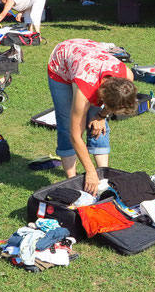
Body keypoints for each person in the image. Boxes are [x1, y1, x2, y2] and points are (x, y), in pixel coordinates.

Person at [47, 39, 138, 195]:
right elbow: (75, 135)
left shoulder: (127, 76)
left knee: (99, 123)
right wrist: (90, 172)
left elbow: (107, 109)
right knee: (66, 123)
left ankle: (104, 176)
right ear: (103, 97)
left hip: (89, 56)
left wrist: (102, 115)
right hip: (62, 60)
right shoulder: (85, 89)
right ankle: (73, 182)